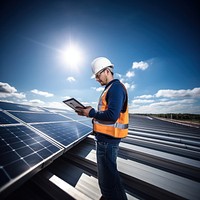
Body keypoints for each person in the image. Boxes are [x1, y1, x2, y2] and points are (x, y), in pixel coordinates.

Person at [76, 57, 129, 200]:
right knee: (109, 181)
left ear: (107, 71)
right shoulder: (109, 89)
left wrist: (91, 112)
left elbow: (112, 115)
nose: (96, 79)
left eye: (98, 75)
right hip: (105, 141)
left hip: (108, 142)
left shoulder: (116, 87)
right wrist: (88, 113)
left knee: (108, 184)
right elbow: (105, 114)